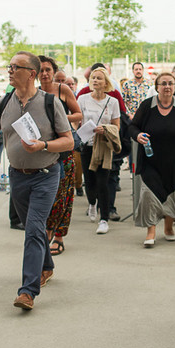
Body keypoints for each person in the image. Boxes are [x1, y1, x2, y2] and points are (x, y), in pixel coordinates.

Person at [0, 52, 74, 310]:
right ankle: (46, 266)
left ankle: (27, 291)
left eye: (15, 67)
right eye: (9, 66)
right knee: (31, 227)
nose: (9, 71)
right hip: (17, 177)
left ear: (31, 73)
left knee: (34, 228)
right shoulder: (3, 103)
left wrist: (43, 145)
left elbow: (67, 140)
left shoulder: (49, 102)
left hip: (46, 175)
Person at [130, 72, 175, 246]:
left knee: (172, 194)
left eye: (171, 83)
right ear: (157, 86)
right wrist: (138, 136)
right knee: (149, 194)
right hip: (151, 160)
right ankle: (151, 231)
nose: (167, 86)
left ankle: (168, 228)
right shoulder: (147, 105)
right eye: (163, 83)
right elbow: (132, 127)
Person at [38, 55, 83, 259]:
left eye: (48, 69)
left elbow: (78, 114)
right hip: (41, 151)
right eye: (40, 70)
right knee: (44, 195)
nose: (45, 73)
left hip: (64, 149)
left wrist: (60, 117)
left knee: (63, 195)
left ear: (54, 71)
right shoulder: (32, 92)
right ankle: (43, 234)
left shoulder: (62, 90)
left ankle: (58, 236)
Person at [77, 67, 122, 234]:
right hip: (86, 145)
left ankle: (104, 219)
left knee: (103, 182)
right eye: (93, 78)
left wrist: (106, 129)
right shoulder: (82, 99)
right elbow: (77, 121)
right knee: (89, 182)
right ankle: (92, 203)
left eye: (99, 78)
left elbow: (117, 126)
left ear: (106, 83)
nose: (95, 80)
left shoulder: (113, 102)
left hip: (103, 145)